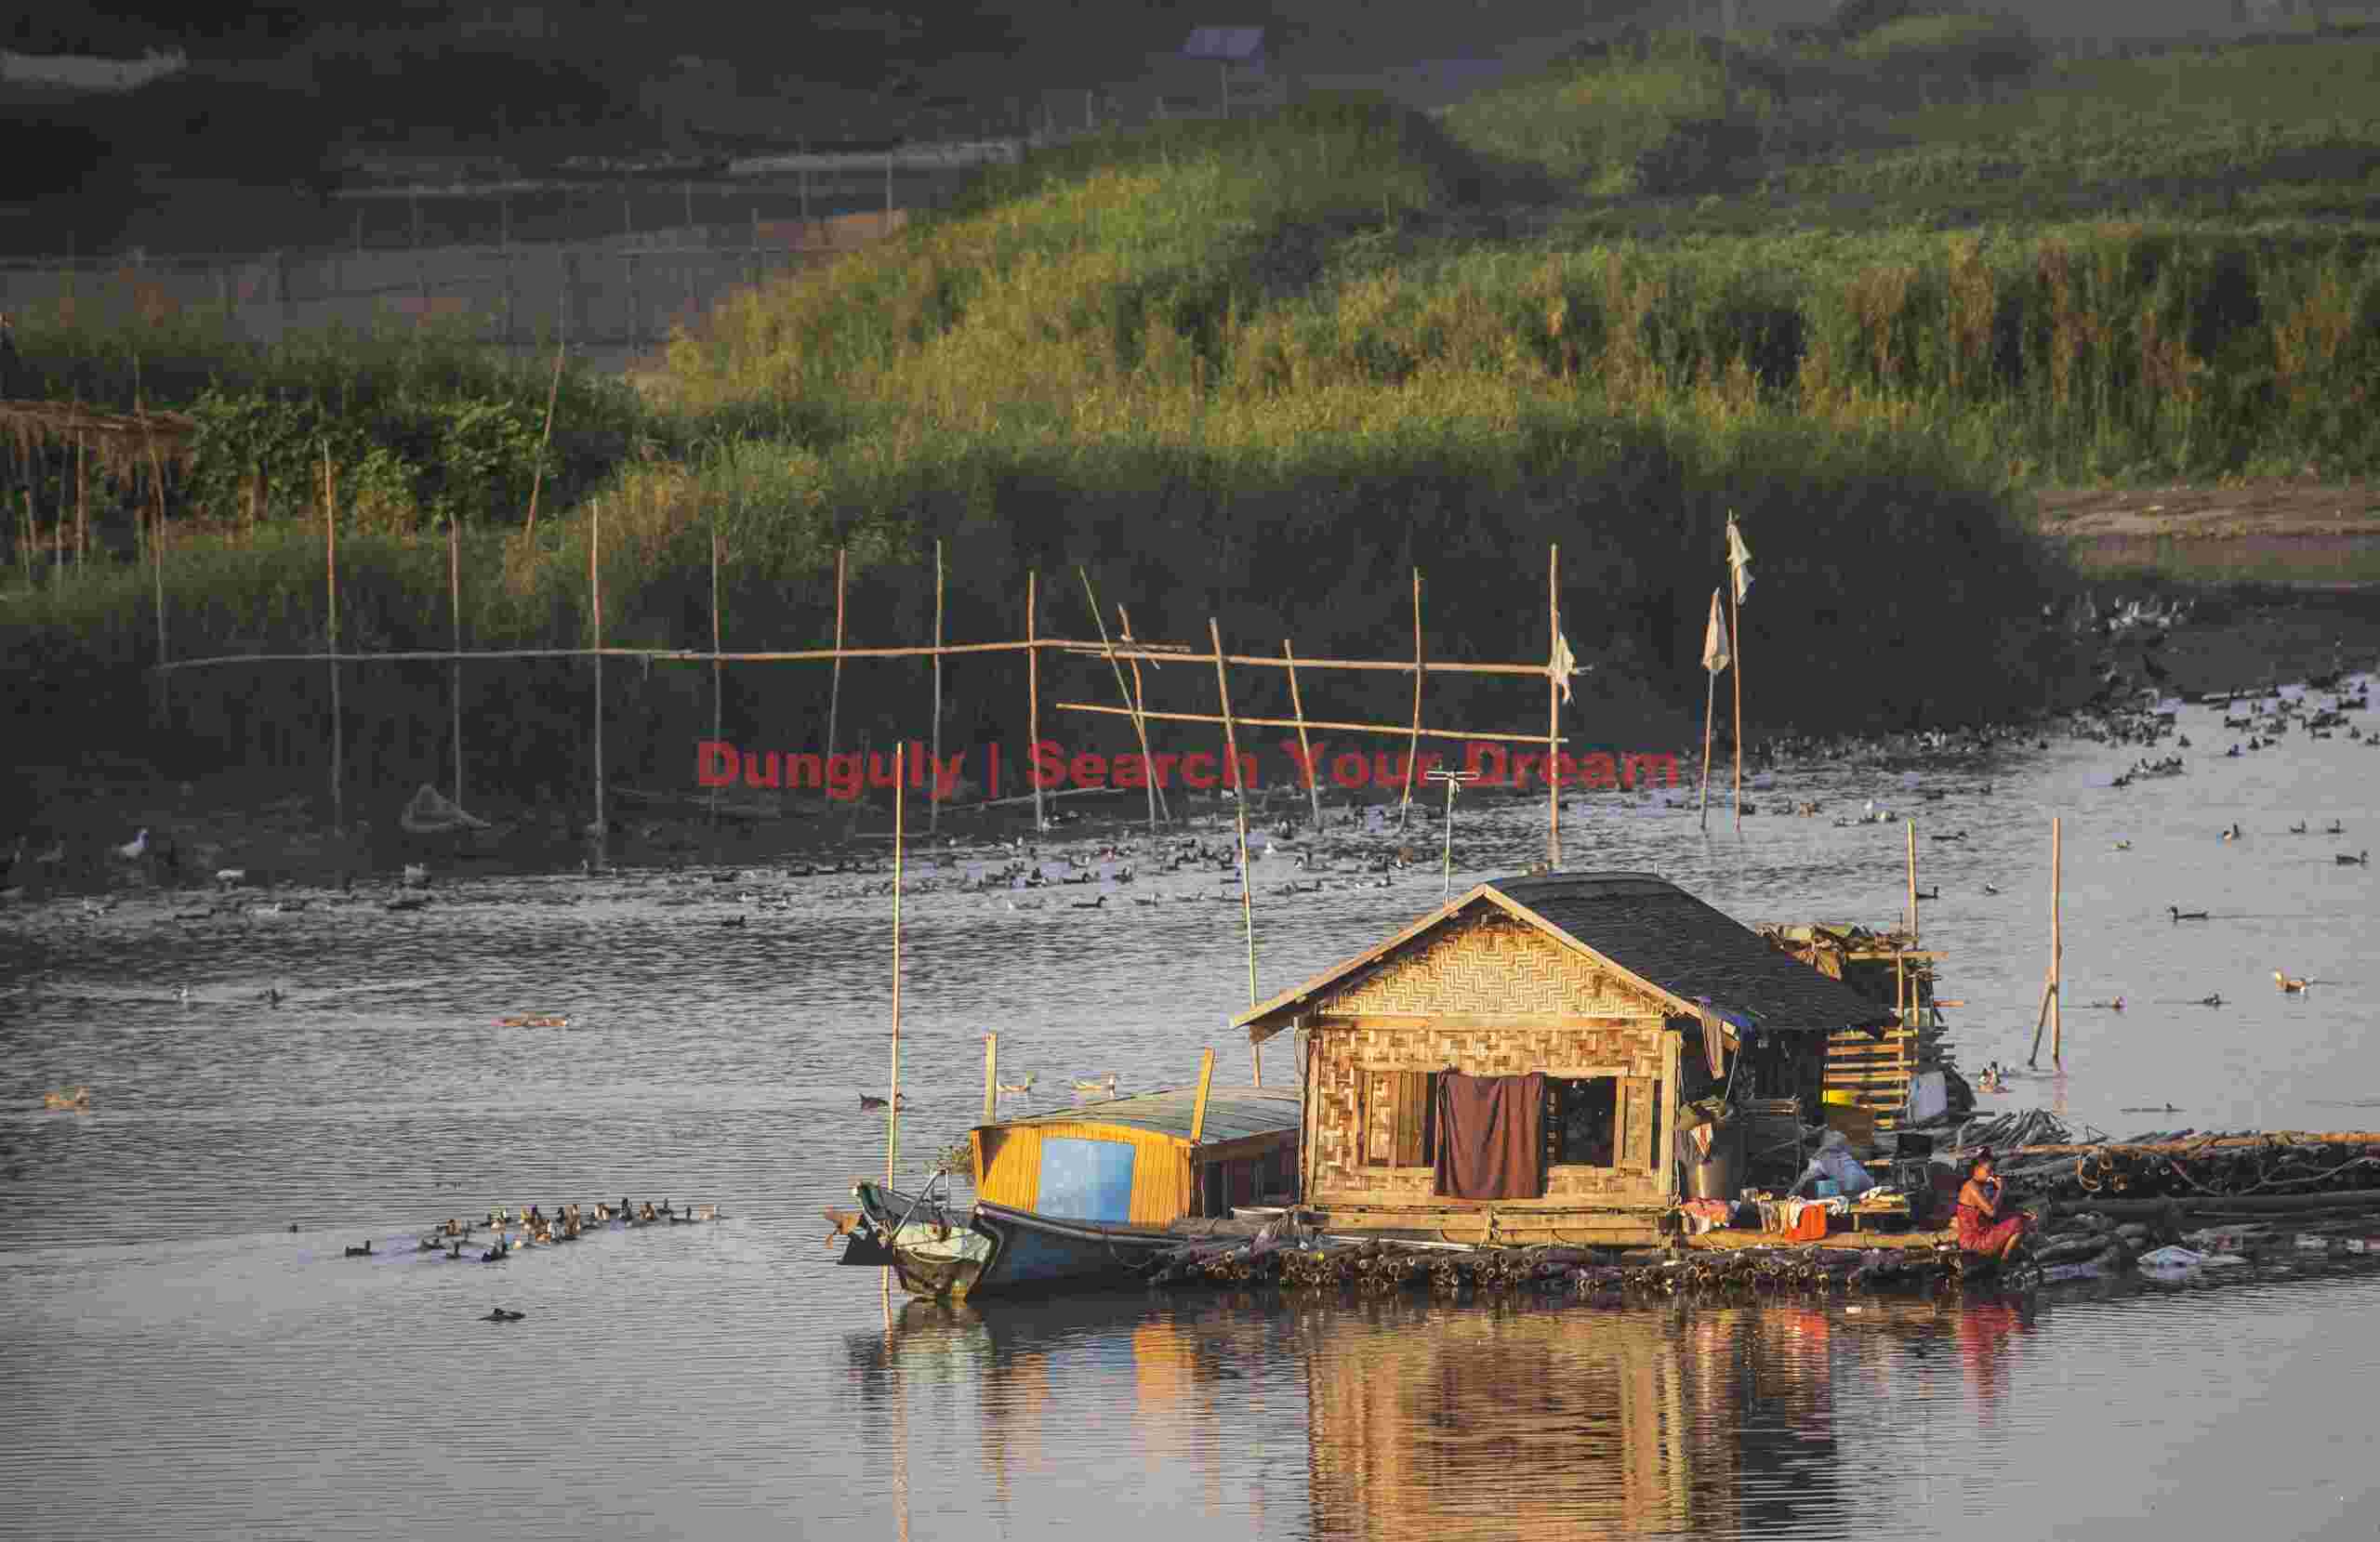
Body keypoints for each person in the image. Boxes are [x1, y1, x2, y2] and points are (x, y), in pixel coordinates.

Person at [1954, 1150, 2032, 1262]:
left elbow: (1992, 1210)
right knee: (2019, 1222)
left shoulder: (1979, 1185)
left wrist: (2019, 1211)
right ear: (1977, 1169)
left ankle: (2006, 1256)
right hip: (1974, 1241)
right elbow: (1992, 1212)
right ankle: (2004, 1261)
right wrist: (2001, 1189)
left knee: (2023, 1217)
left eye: (1993, 1170)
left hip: (1984, 1230)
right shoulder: (1971, 1188)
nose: (1992, 1174)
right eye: (1989, 1170)